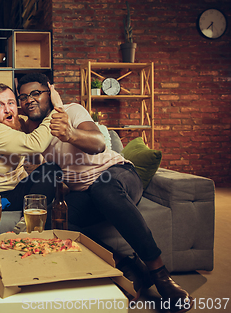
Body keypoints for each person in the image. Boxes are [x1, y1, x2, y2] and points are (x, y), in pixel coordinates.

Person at [17, 72, 192, 312]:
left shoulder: (72, 111)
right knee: (53, 223)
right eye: (24, 96)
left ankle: (160, 273)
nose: (29, 100)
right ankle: (127, 265)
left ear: (51, 92)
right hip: (85, 192)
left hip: (116, 175)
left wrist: (70, 133)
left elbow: (99, 142)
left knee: (103, 189)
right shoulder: (34, 134)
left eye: (36, 93)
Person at [0, 83, 62, 225]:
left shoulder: (17, 122)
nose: (7, 110)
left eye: (11, 103)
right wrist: (57, 107)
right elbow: (35, 144)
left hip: (12, 194)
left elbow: (35, 156)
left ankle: (27, 222)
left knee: (52, 170)